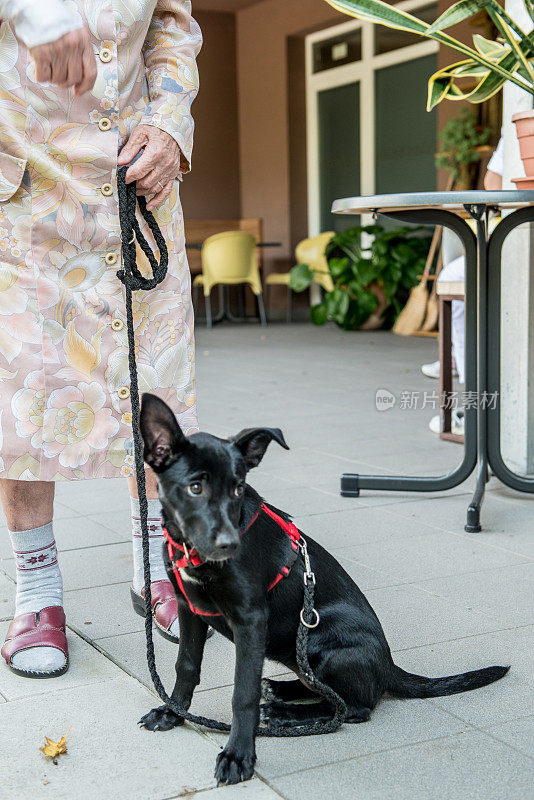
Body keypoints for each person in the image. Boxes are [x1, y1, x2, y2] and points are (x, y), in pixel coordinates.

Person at [0, 0, 202, 677]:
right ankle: (37, 592)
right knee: (24, 393)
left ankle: (157, 568)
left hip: (135, 182)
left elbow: (172, 26)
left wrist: (169, 124)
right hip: (25, 179)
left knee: (155, 390)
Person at [422, 138, 504, 436]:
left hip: (518, 241)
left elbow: (493, 182)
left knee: (452, 276)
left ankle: (474, 407)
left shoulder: (519, 121)